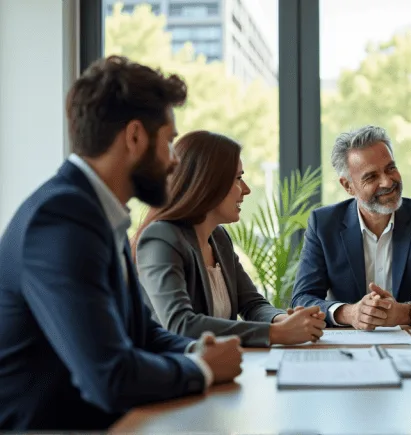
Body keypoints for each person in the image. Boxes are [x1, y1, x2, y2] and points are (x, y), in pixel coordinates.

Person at [0, 56, 243, 431]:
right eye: (170, 141)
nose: (174, 161)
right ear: (134, 137)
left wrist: (197, 349)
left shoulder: (98, 214)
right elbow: (109, 376)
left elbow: (143, 334)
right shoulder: (62, 219)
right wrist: (201, 368)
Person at [134, 130, 326, 347]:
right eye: (238, 178)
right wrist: (276, 333)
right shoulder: (161, 238)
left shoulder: (218, 237)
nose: (246, 190)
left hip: (220, 367)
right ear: (207, 182)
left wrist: (283, 320)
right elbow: (180, 324)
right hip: (175, 374)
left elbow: (252, 304)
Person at [291, 125, 411, 329]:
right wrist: (350, 313)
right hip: (347, 345)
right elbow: (302, 299)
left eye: (390, 168)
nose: (387, 181)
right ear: (348, 186)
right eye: (371, 177)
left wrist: (405, 313)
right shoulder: (324, 224)